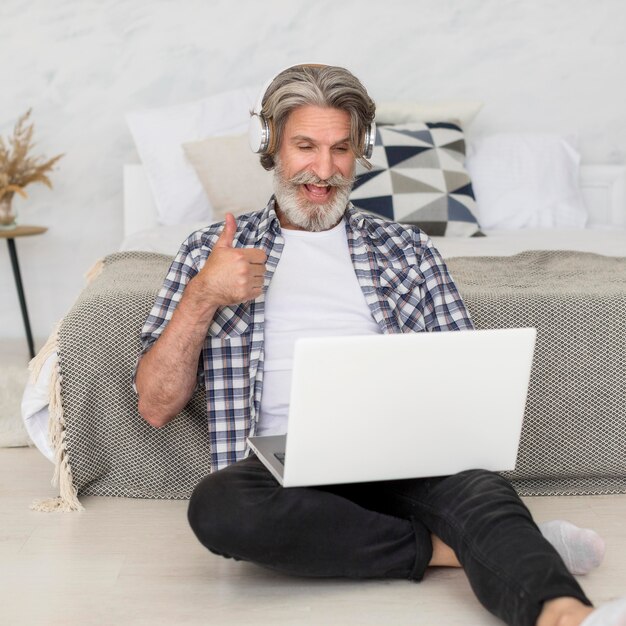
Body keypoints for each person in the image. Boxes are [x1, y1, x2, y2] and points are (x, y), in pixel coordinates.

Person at [134, 65, 621, 626]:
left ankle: (569, 614)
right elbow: (155, 404)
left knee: (482, 493)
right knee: (220, 509)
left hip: (403, 449)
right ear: (270, 145)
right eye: (305, 146)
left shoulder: (407, 249)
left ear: (361, 152)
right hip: (285, 469)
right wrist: (203, 296)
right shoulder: (208, 253)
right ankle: (455, 549)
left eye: (341, 148)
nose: (323, 169)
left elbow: (463, 378)